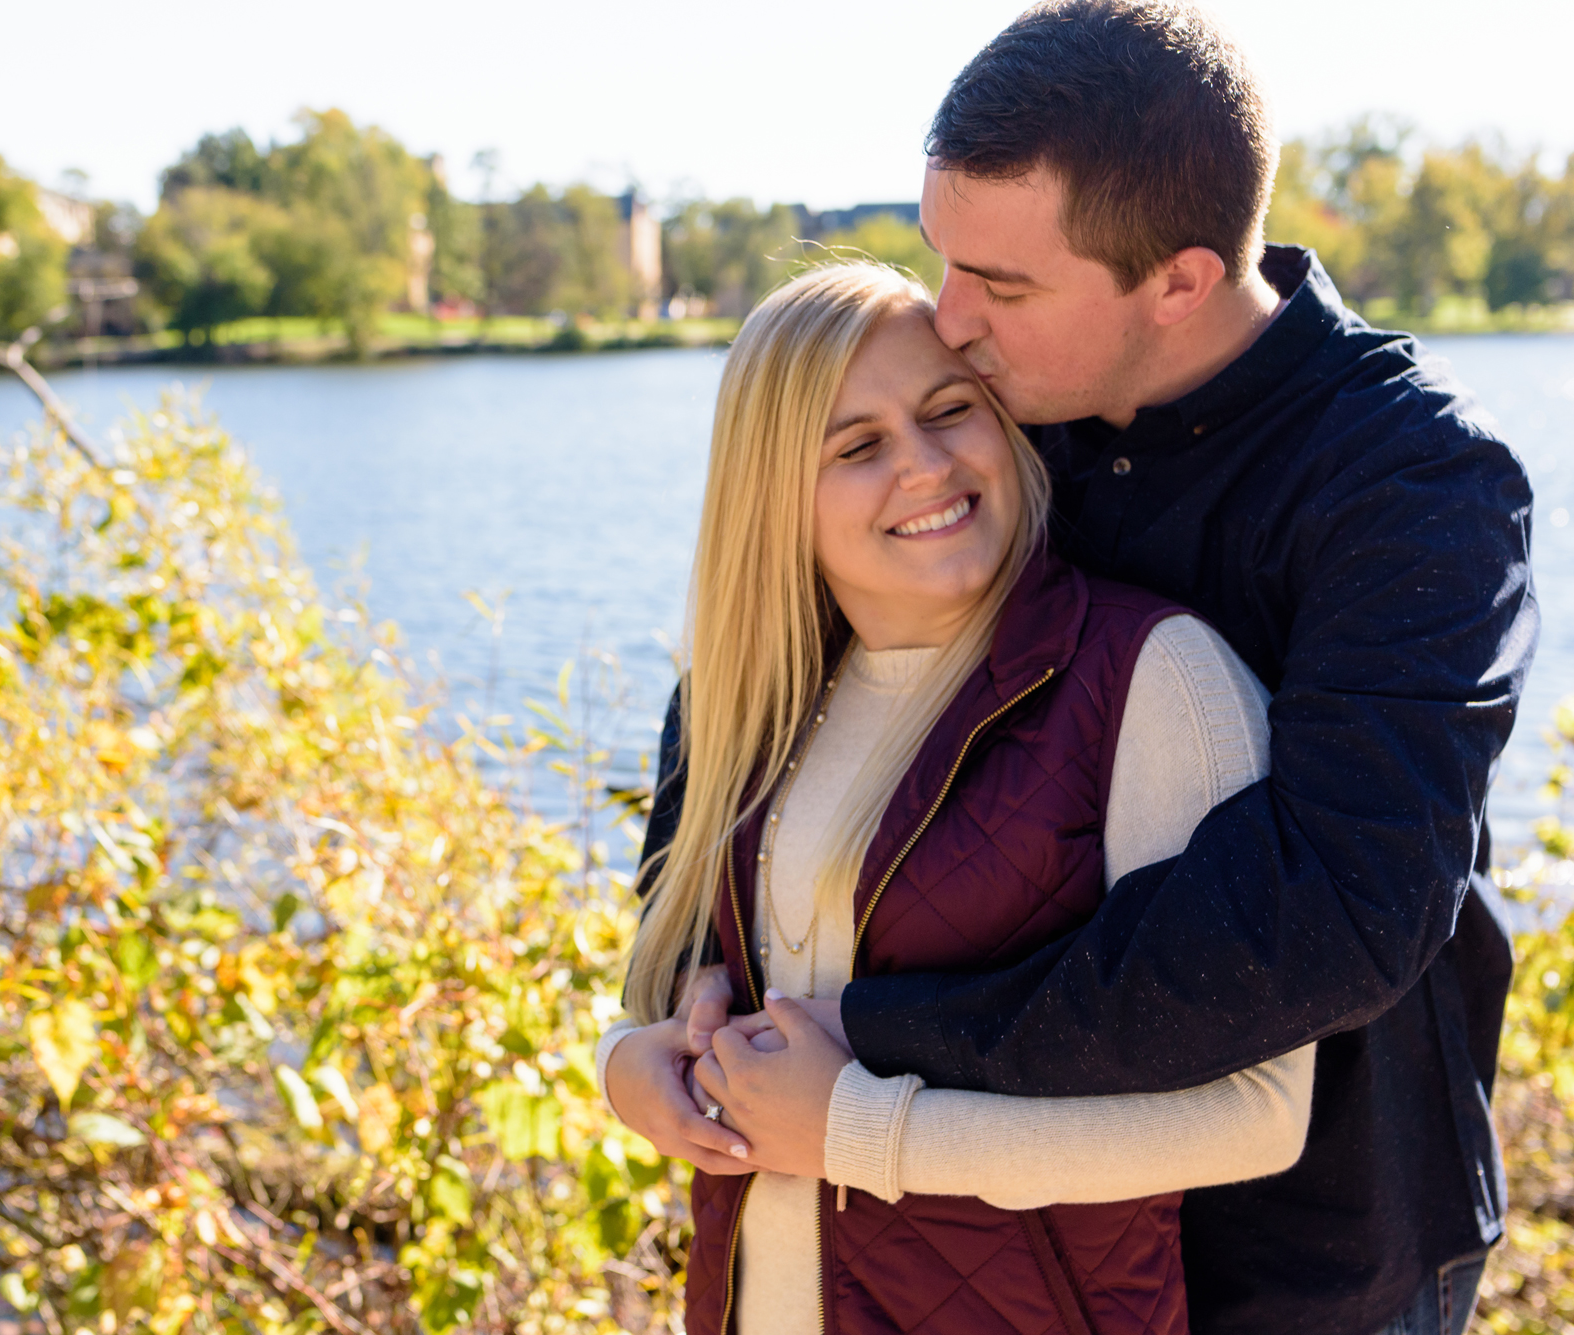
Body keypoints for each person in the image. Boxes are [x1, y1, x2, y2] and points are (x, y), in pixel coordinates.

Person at [606, 4, 1537, 1334]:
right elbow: (769, 663)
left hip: (1310, 1252)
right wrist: (677, 992)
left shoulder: (1408, 482)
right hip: (995, 1241)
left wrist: (871, 1038)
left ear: (1178, 281)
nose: (950, 318)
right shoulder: (1000, 411)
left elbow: (1331, 915)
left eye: (1005, 282)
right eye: (946, 258)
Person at [604, 258, 1316, 1334]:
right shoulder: (738, 707)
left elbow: (1256, 1117)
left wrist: (857, 1132)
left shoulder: (1146, 677)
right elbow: (667, 993)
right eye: (856, 446)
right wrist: (628, 1063)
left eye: (949, 411)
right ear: (772, 495)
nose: (925, 466)